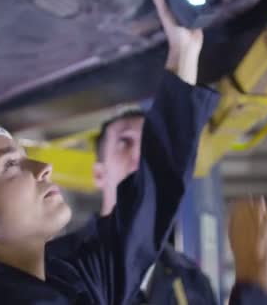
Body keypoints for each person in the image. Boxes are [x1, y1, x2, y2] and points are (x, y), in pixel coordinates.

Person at [0, 0, 267, 305]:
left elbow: (149, 201)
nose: (42, 167)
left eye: (24, 157)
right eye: (9, 165)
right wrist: (255, 278)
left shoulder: (64, 275)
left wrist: (183, 49)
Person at [91, 107, 218, 305]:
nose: (140, 156)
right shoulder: (61, 267)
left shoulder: (192, 281)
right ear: (99, 174)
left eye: (150, 145)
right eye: (124, 142)